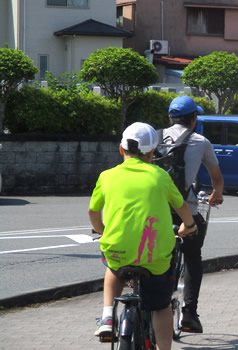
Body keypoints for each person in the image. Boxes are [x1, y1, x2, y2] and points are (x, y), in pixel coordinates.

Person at [89, 122, 197, 350]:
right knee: (160, 305)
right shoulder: (160, 176)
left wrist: (101, 230)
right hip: (154, 257)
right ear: (151, 153)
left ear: (121, 149)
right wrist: (189, 226)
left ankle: (108, 316)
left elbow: (92, 211)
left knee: (112, 267)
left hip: (118, 250)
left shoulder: (107, 176)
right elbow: (182, 206)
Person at [163, 95, 224, 333]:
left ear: (170, 117)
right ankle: (189, 312)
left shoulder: (155, 137)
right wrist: (216, 195)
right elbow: (216, 178)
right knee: (192, 257)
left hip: (156, 212)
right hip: (186, 212)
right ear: (194, 118)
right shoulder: (200, 141)